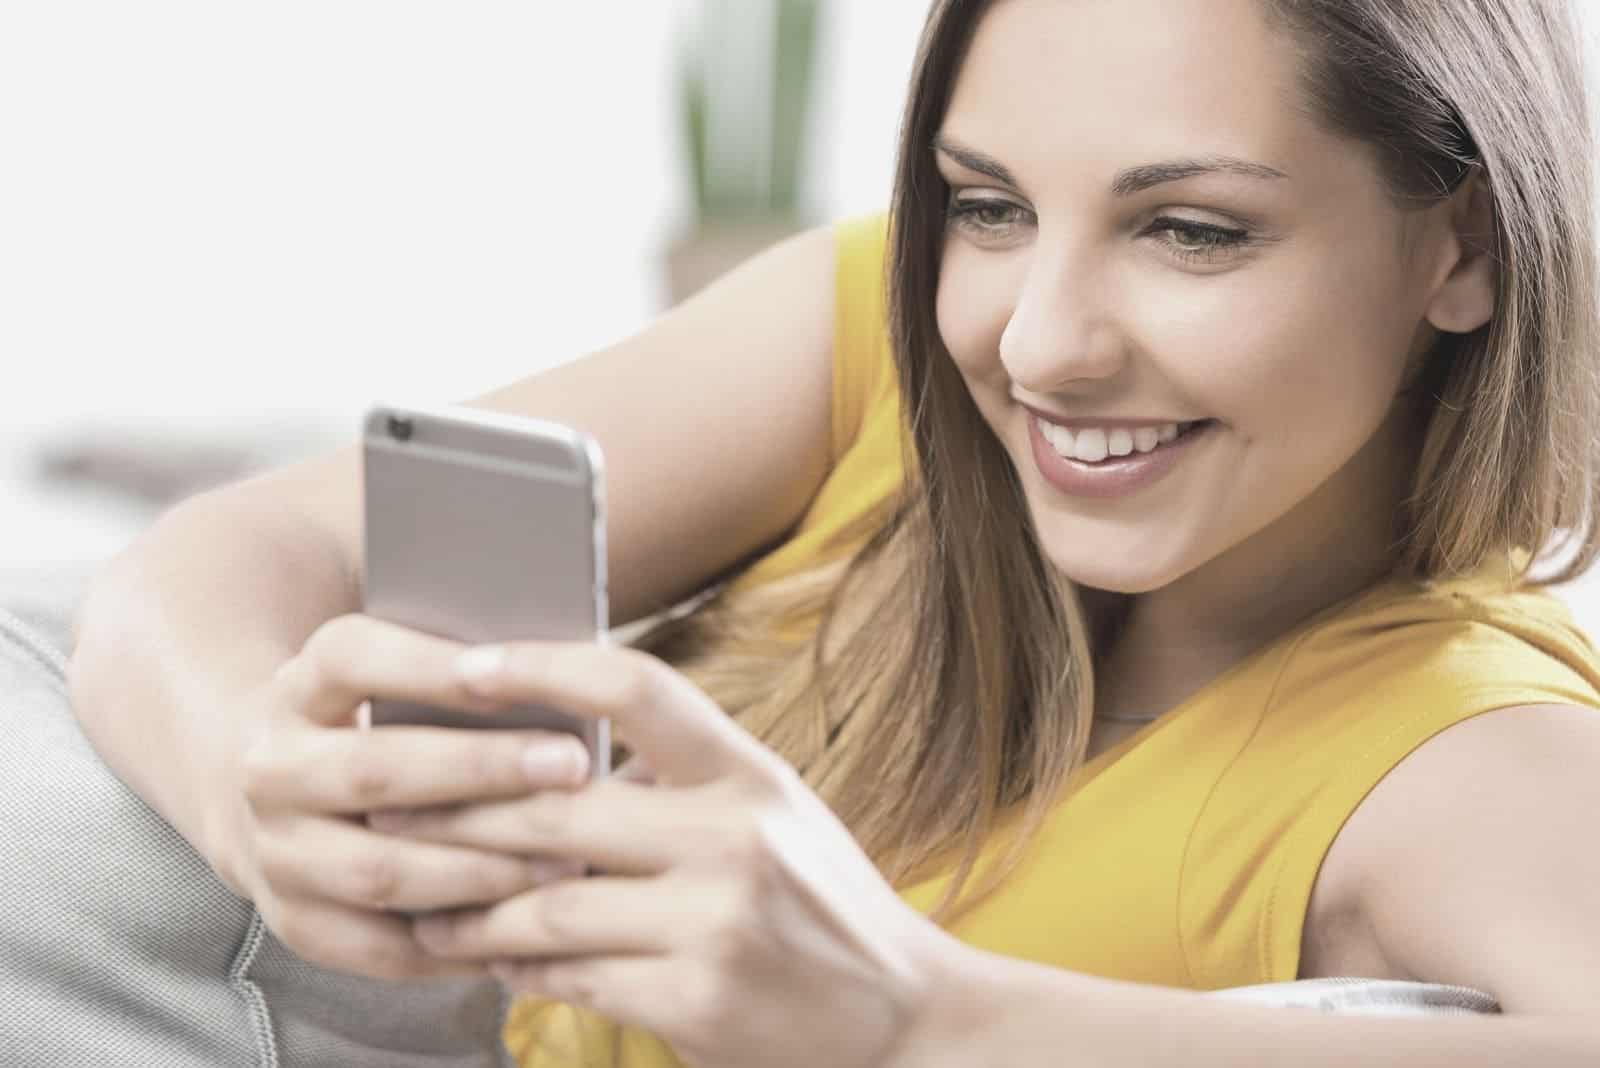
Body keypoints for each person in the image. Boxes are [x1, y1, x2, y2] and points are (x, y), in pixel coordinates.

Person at [63, 0, 1600, 1064]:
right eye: (987, 206)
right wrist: (253, 781)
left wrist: (921, 1022)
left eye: (1191, 230)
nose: (1041, 344)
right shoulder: (888, 343)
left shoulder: (1463, 754)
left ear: (1459, 245)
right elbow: (205, 566)